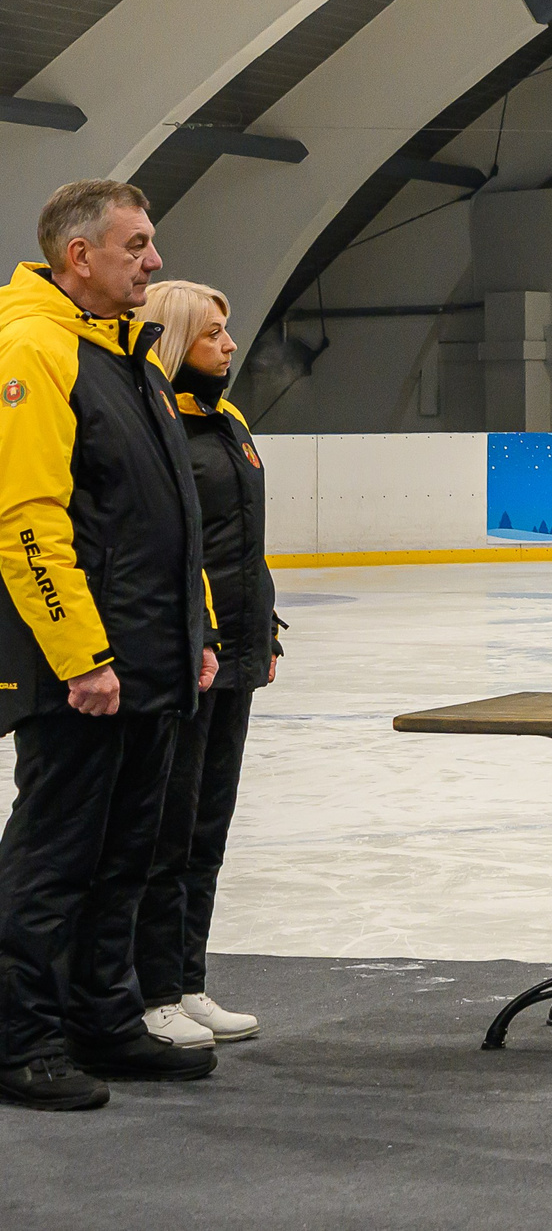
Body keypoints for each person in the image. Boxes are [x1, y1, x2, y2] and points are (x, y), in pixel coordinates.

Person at [0, 180, 220, 1111]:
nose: (155, 262)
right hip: (83, 671)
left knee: (127, 851)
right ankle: (20, 1040)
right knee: (56, 857)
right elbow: (26, 520)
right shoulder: (34, 349)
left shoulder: (128, 354)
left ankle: (103, 1017)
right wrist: (81, 654)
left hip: (151, 661)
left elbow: (171, 513)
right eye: (136, 246)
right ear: (77, 255)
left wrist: (196, 630)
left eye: (152, 243)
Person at [134, 281, 274, 1051]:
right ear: (172, 341)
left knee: (209, 825)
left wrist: (264, 636)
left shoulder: (229, 422)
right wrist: (204, 639)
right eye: (212, 333)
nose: (227, 345)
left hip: (236, 655)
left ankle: (187, 978)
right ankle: (150, 989)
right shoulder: (160, 431)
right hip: (187, 654)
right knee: (169, 828)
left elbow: (246, 543)